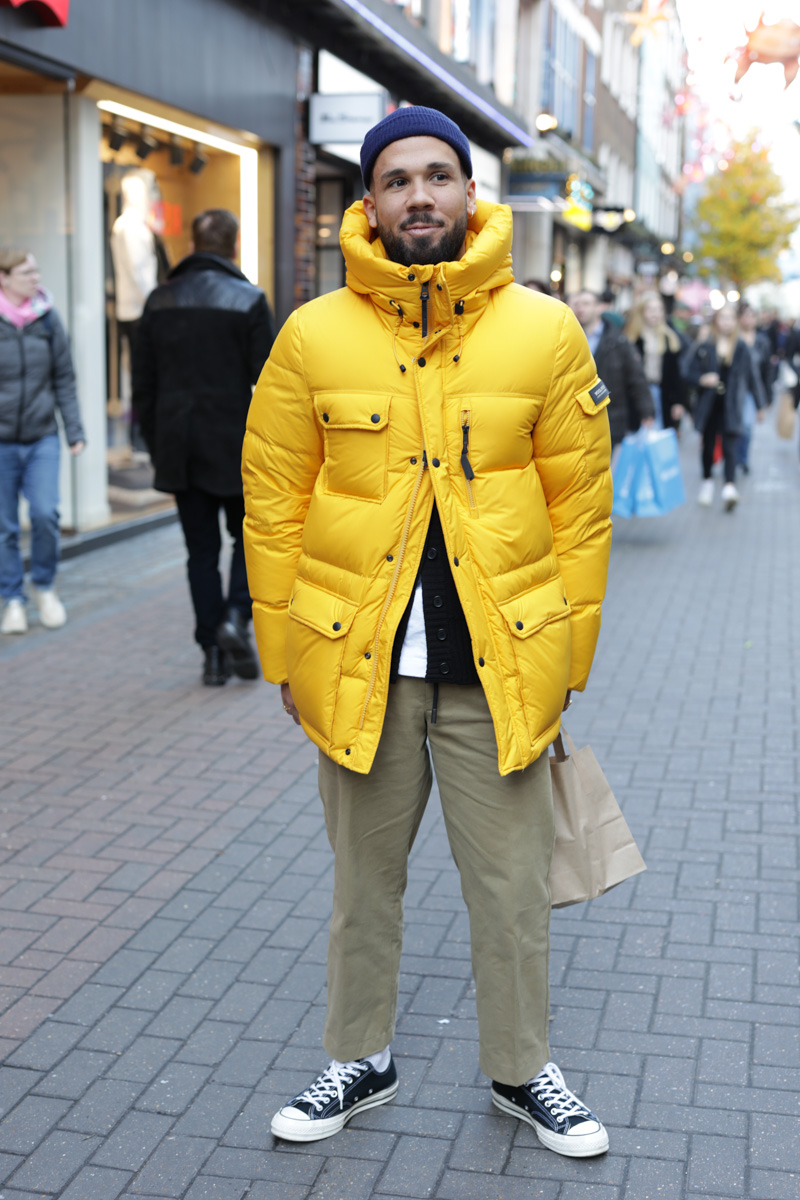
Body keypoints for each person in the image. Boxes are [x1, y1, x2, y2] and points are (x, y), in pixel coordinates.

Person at [242, 106, 613, 1156]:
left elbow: (581, 507)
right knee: (363, 888)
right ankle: (358, 1057)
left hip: (497, 671)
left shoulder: (543, 332)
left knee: (508, 892)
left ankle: (519, 1068)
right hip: (362, 672)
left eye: (437, 176)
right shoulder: (312, 334)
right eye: (396, 179)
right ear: (369, 202)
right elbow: (270, 500)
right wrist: (284, 657)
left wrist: (565, 663)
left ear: (468, 194)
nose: (417, 196)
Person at [133, 208, 275, 685]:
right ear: (233, 245)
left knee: (199, 553)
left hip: (179, 445)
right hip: (235, 444)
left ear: (193, 244)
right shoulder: (249, 300)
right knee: (247, 541)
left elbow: (143, 389)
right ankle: (237, 615)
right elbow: (270, 386)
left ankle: (211, 651)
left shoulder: (158, 301)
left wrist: (156, 446)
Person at [0, 247, 85, 635]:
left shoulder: (48, 319)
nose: (35, 277)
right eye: (26, 272)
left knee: (46, 515)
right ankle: (13, 599)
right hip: (2, 443)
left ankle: (44, 587)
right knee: (5, 527)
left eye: (36, 270)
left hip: (41, 438)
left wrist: (75, 430)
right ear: (4, 278)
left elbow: (64, 377)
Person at [682, 304, 766, 511]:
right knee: (708, 446)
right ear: (716, 321)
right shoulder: (705, 346)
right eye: (723, 317)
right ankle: (707, 482)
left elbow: (753, 376)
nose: (727, 322)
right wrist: (702, 379)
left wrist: (760, 404)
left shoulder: (741, 347)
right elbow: (686, 371)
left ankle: (729, 486)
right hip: (709, 405)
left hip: (732, 404)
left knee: (730, 446)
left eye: (731, 318)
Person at [569, 289, 654, 445]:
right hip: (575, 419)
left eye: (586, 304)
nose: (581, 308)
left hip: (610, 416)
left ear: (599, 307)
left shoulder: (617, 340)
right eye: (577, 304)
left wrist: (646, 411)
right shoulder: (568, 337)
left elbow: (636, 377)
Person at [624, 290, 687, 432]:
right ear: (642, 312)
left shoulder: (669, 338)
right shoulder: (632, 339)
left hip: (661, 393)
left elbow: (676, 374)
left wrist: (678, 401)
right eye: (651, 309)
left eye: (659, 309)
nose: (655, 313)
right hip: (636, 395)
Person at [736, 303, 771, 473]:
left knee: (746, 426)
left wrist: (765, 399)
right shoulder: (734, 339)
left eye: (752, 315)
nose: (749, 319)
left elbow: (767, 372)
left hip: (753, 390)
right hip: (735, 389)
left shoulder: (762, 342)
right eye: (745, 315)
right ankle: (733, 456)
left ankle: (742, 458)